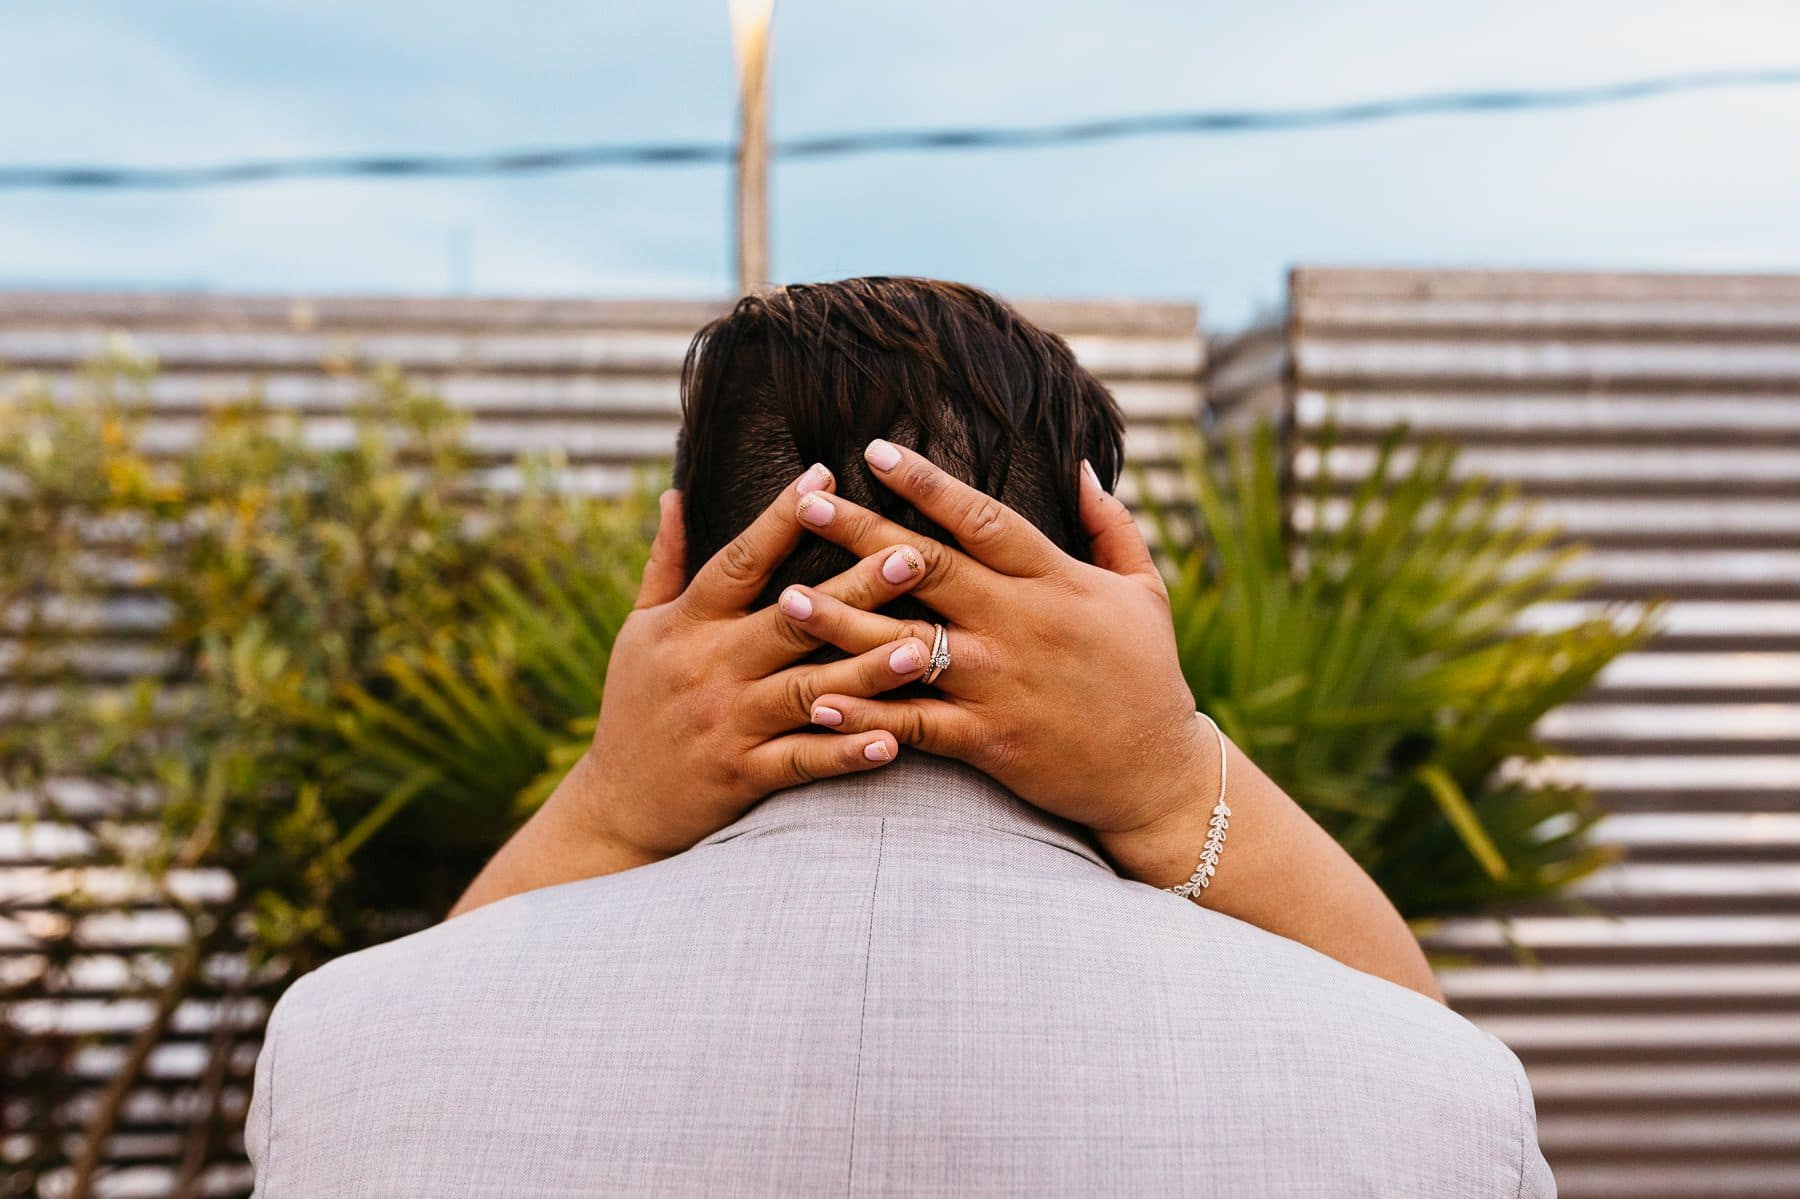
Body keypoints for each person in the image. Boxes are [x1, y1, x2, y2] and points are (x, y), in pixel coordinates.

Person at [246, 278, 1552, 1197]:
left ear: (693, 563)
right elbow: (1433, 1063)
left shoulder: (349, 1046)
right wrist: (1169, 771)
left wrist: (607, 801)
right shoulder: (1424, 1090)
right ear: (1097, 574)